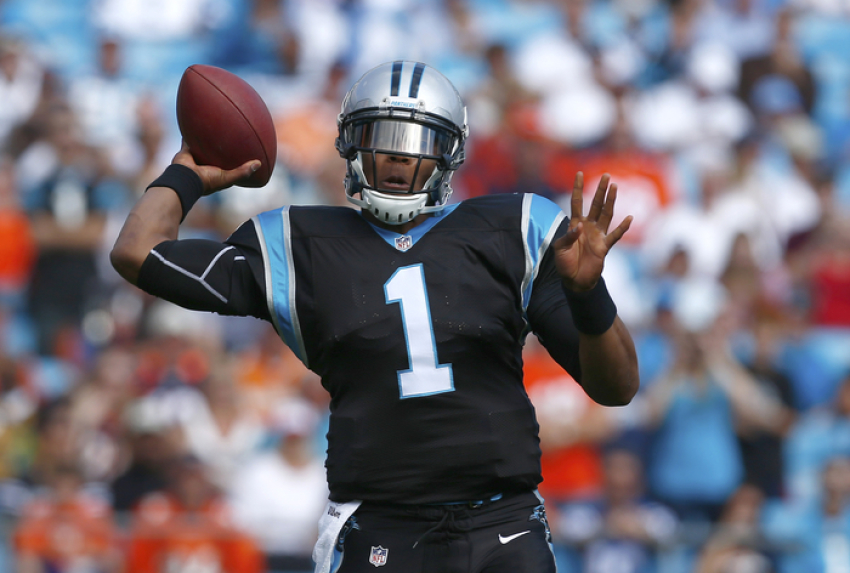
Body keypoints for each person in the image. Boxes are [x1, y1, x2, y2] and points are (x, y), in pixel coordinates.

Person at [110, 61, 639, 573]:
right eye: (381, 136)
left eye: (417, 142)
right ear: (350, 143)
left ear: (449, 153)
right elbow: (138, 252)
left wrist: (588, 295)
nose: (396, 157)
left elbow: (616, 387)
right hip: (378, 530)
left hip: (502, 526)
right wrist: (188, 173)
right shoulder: (298, 245)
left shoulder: (512, 229)